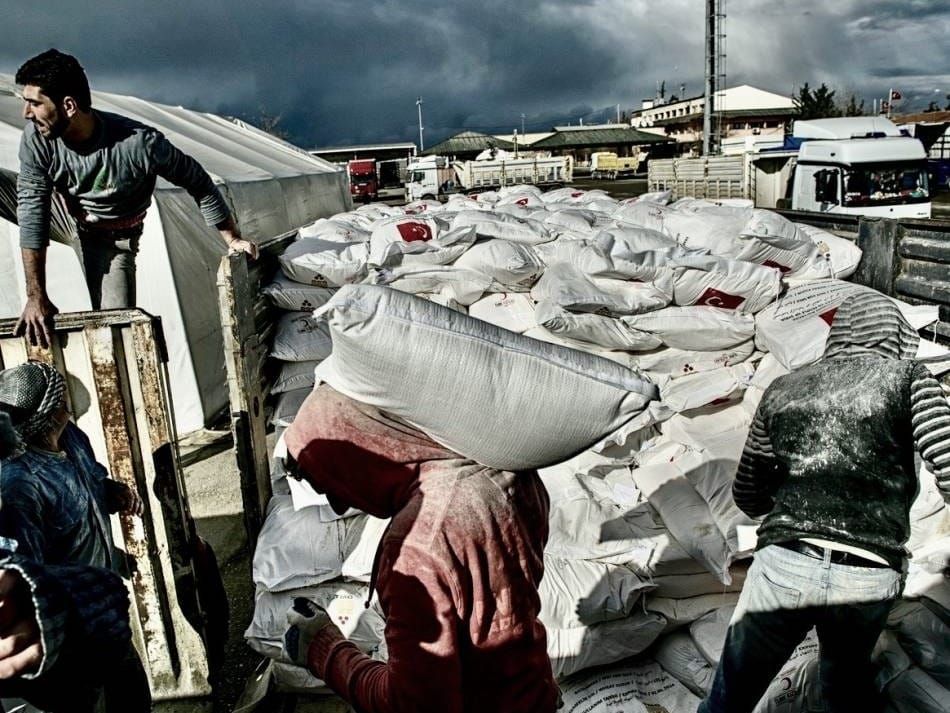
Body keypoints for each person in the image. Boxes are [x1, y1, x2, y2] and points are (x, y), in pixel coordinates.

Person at [698, 292, 950, 713]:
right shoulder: (907, 378)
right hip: (867, 573)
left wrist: (794, 497)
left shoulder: (783, 388)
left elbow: (747, 493)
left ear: (840, 335)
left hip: (785, 564)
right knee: (840, 692)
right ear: (895, 336)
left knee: (731, 695)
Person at [278, 384, 558, 713]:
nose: (338, 506)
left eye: (331, 482)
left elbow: (411, 705)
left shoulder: (418, 546)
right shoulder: (504, 471)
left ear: (358, 452)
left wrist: (324, 649)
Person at [14, 48, 259, 348]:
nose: (26, 113)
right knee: (28, 202)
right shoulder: (37, 137)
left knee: (116, 331)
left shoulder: (139, 144)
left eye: (35, 103)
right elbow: (32, 207)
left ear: (68, 105)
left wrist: (232, 238)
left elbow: (199, 182)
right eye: (25, 102)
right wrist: (35, 296)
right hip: (63, 213)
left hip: (110, 238)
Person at [0, 361, 150, 711]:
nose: (69, 397)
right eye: (61, 393)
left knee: (132, 697)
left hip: (103, 611)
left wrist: (110, 490)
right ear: (51, 411)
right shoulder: (20, 486)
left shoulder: (71, 437)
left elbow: (91, 476)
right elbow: (27, 575)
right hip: (70, 631)